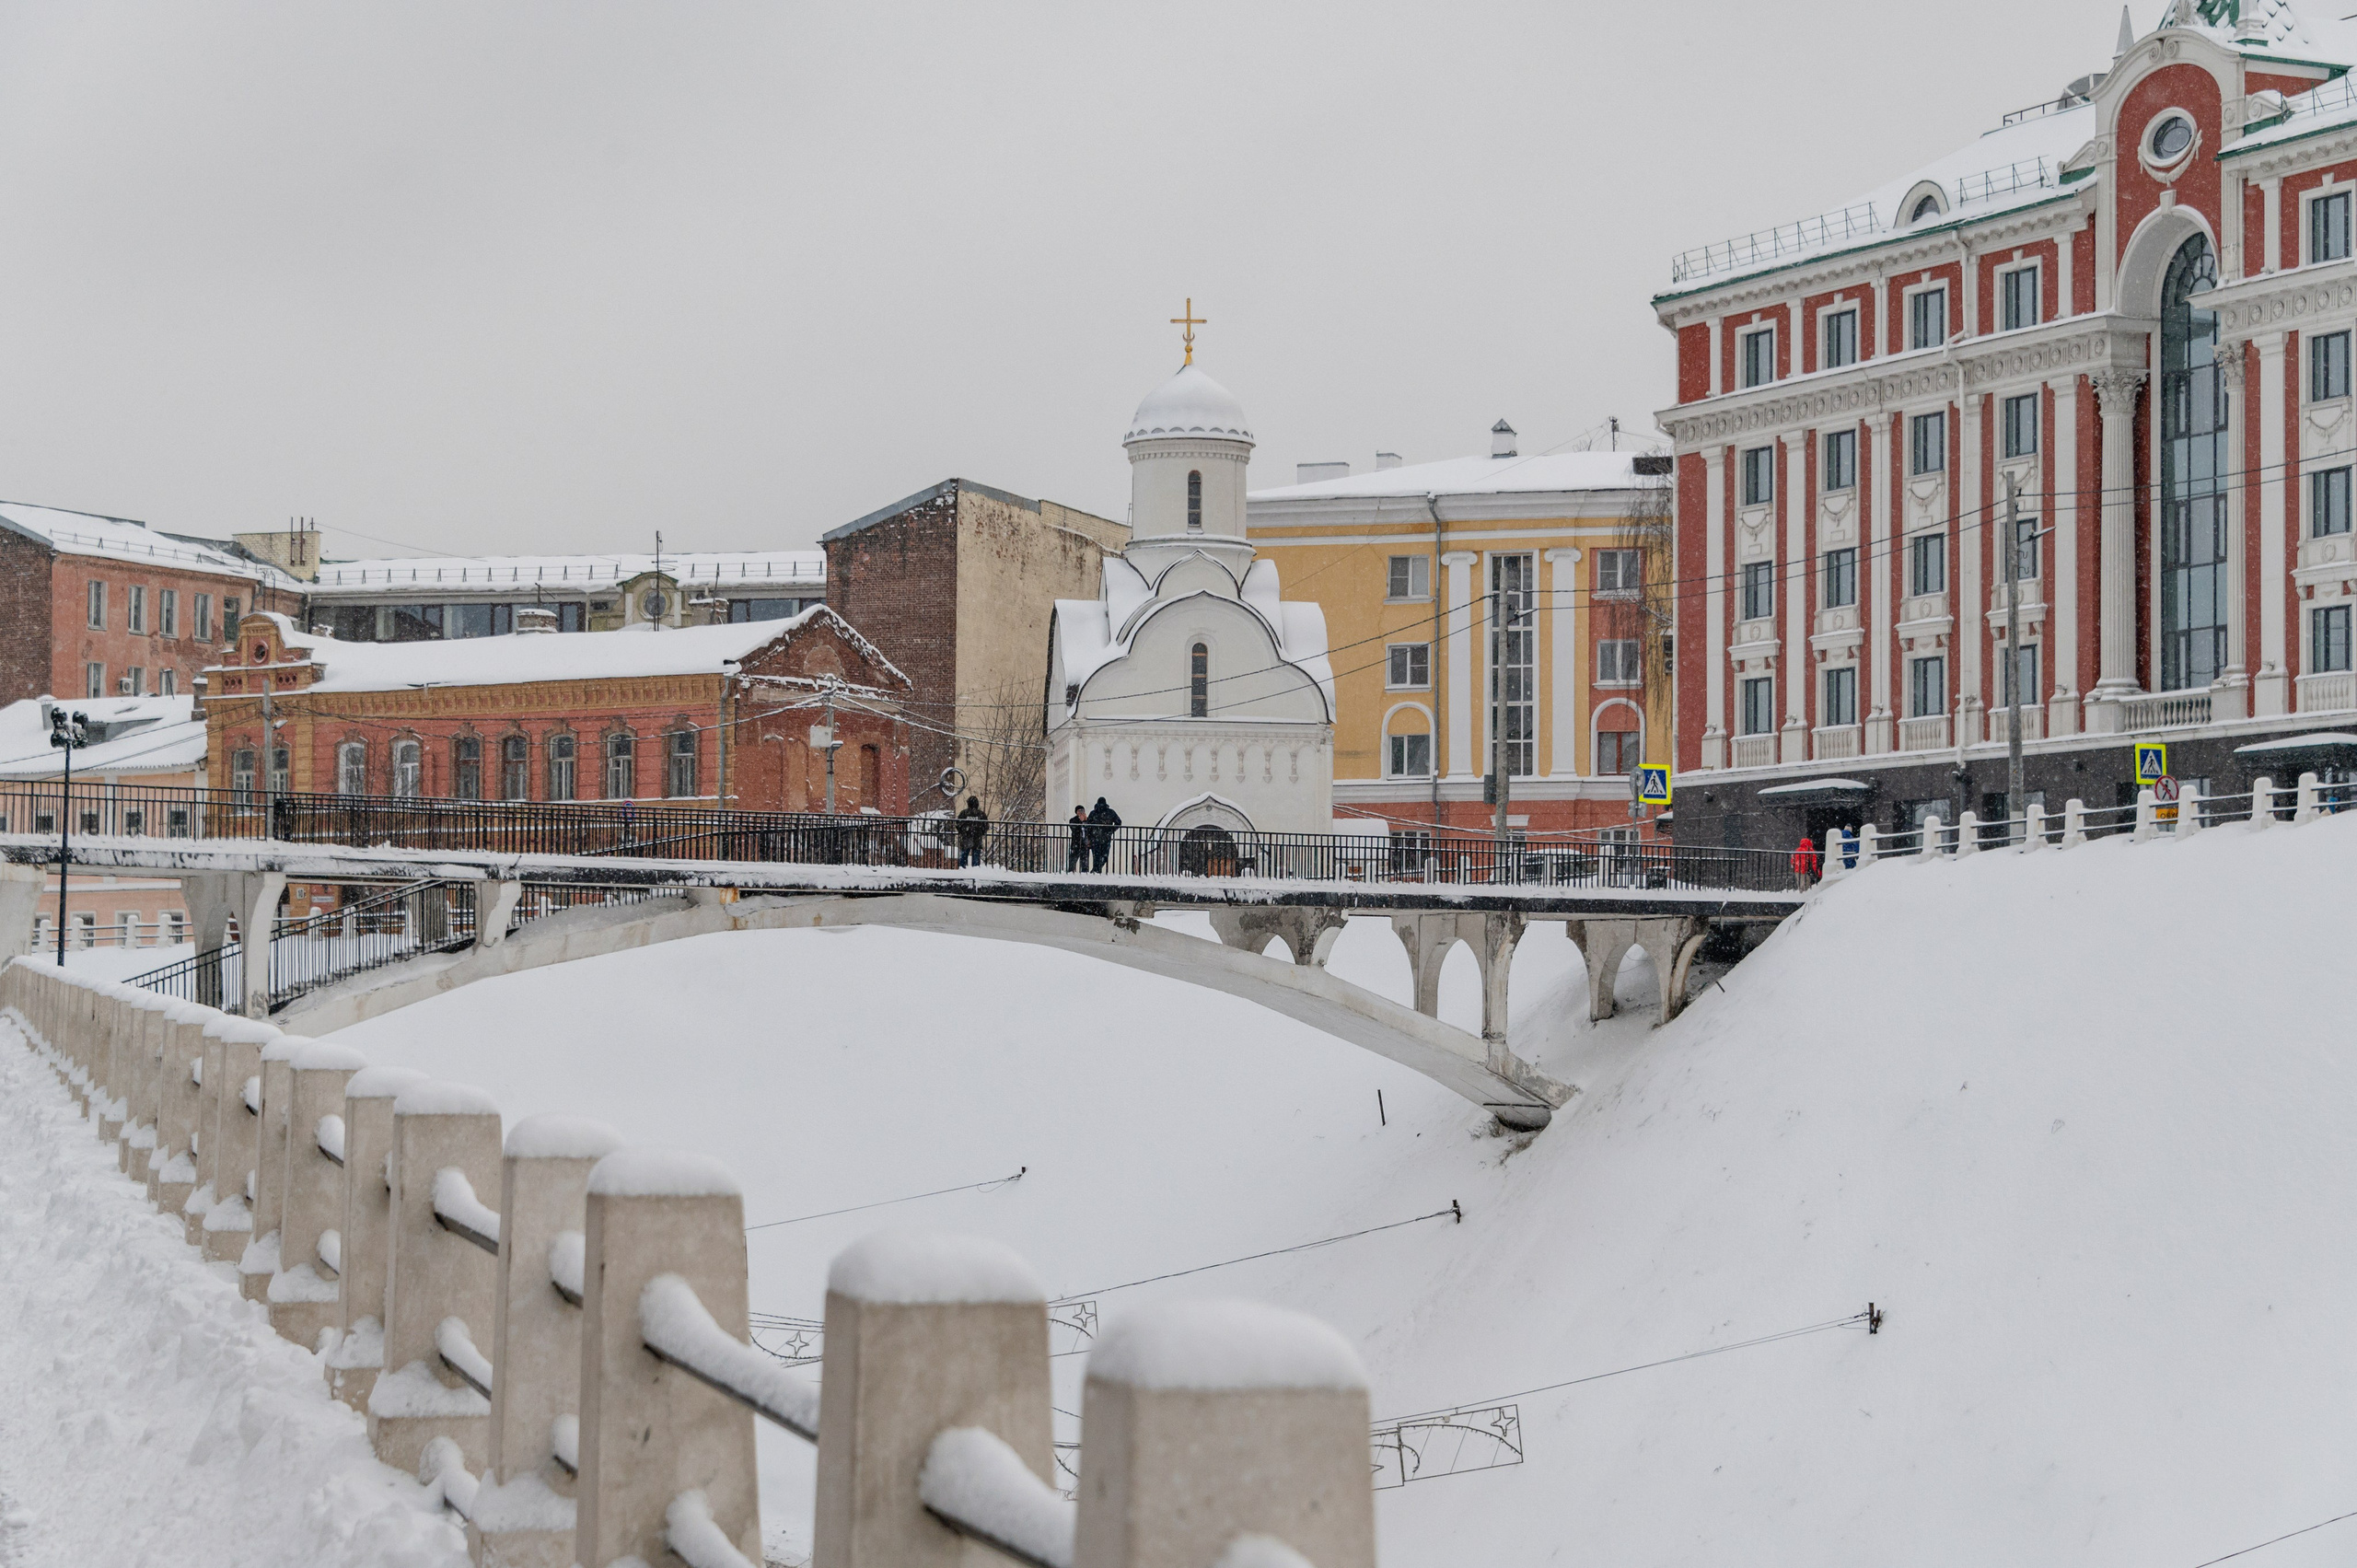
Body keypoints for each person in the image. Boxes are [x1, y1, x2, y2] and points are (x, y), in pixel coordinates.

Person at [1086, 796, 1121, 873]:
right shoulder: (1108, 812)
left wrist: (1111, 830)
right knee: (1100, 858)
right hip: (1100, 838)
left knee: (1100, 858)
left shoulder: (1095, 813)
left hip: (1100, 838)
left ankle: (1095, 872)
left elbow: (1088, 826)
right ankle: (1096, 872)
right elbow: (1088, 826)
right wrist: (1111, 830)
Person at [955, 796, 989, 868]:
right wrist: (981, 833)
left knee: (963, 857)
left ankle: (962, 871)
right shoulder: (981, 814)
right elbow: (986, 826)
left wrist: (963, 832)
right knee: (976, 859)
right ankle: (975, 872)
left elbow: (958, 825)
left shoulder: (964, 813)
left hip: (966, 838)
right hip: (977, 838)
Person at [1065, 805, 1089, 872]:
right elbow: (1074, 829)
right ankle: (1071, 872)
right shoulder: (1073, 820)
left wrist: (1085, 821)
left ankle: (1084, 873)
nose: (1081, 812)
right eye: (1079, 811)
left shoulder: (1087, 820)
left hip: (1084, 843)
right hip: (1076, 842)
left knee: (1085, 861)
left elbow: (1089, 829)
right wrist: (1080, 821)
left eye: (1082, 811)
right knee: (1073, 859)